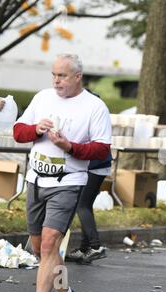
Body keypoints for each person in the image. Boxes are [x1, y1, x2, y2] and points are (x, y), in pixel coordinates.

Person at [13, 53, 112, 292]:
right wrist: (35, 130)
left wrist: (69, 147)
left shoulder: (94, 106)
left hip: (68, 182)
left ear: (77, 77)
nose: (56, 81)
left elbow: (102, 149)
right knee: (41, 249)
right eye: (54, 75)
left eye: (62, 76)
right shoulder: (43, 97)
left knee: (49, 245)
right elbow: (18, 132)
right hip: (36, 180)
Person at [65, 89, 110, 264]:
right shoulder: (97, 111)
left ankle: (95, 245)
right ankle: (85, 248)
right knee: (85, 205)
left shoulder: (92, 115)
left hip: (95, 166)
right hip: (99, 166)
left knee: (82, 205)